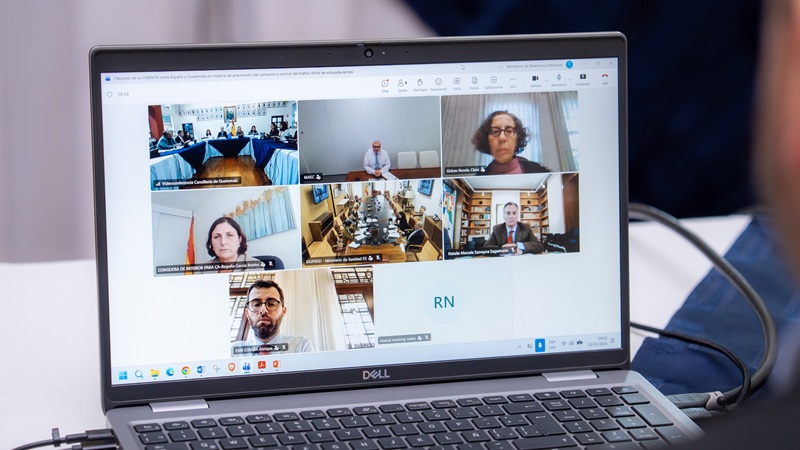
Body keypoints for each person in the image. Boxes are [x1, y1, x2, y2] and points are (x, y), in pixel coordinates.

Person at [231, 280, 314, 356]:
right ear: (247, 313)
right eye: (256, 304)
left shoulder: (301, 347)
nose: (263, 310)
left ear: (283, 311)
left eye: (271, 304)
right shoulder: (232, 352)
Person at [472, 111, 550, 175]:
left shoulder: (539, 172)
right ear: (487, 140)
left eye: (509, 131)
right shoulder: (478, 179)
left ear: (517, 139)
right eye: (495, 131)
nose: (502, 138)